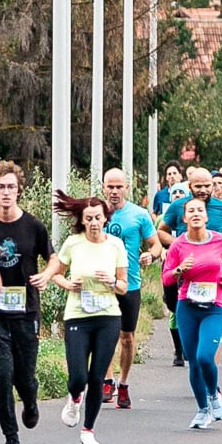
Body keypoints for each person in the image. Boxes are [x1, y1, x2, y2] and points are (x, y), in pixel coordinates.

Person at [38, 193, 127, 444]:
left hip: (108, 315)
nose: (94, 222)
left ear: (105, 218)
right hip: (78, 314)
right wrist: (67, 284)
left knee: (97, 376)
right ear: (82, 221)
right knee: (78, 375)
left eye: (98, 217)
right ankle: (75, 397)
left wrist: (111, 282)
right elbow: (55, 271)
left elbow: (123, 286)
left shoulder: (116, 246)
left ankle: (88, 430)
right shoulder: (73, 243)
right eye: (89, 218)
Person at [0, 161, 51, 444]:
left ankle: (30, 401)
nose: (5, 192)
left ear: (19, 190)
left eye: (10, 187)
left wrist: (46, 275)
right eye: (0, 188)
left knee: (25, 377)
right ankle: (11, 437)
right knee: (2, 375)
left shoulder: (33, 226)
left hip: (26, 312)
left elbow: (53, 258)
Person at [161, 195, 222, 429]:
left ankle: (214, 396)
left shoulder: (219, 240)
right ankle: (202, 409)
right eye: (191, 211)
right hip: (187, 306)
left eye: (200, 211)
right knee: (193, 360)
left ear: (206, 216)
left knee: (205, 356)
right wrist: (178, 271)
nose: (196, 214)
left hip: (213, 306)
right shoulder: (178, 245)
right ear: (184, 218)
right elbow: (165, 278)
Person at [159, 167, 222, 376]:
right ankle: (184, 351)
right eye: (198, 186)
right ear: (189, 186)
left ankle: (211, 370)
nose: (203, 190)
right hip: (183, 271)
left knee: (213, 322)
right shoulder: (178, 207)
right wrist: (179, 244)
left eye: (207, 186)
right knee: (176, 310)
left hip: (212, 272)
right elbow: (161, 231)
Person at [99, 168, 161, 409]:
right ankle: (107, 380)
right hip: (101, 284)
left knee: (126, 337)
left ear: (126, 187)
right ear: (103, 187)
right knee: (105, 335)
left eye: (119, 187)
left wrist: (150, 256)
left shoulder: (139, 214)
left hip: (129, 284)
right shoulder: (96, 213)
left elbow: (155, 244)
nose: (114, 191)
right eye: (110, 187)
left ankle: (123, 383)